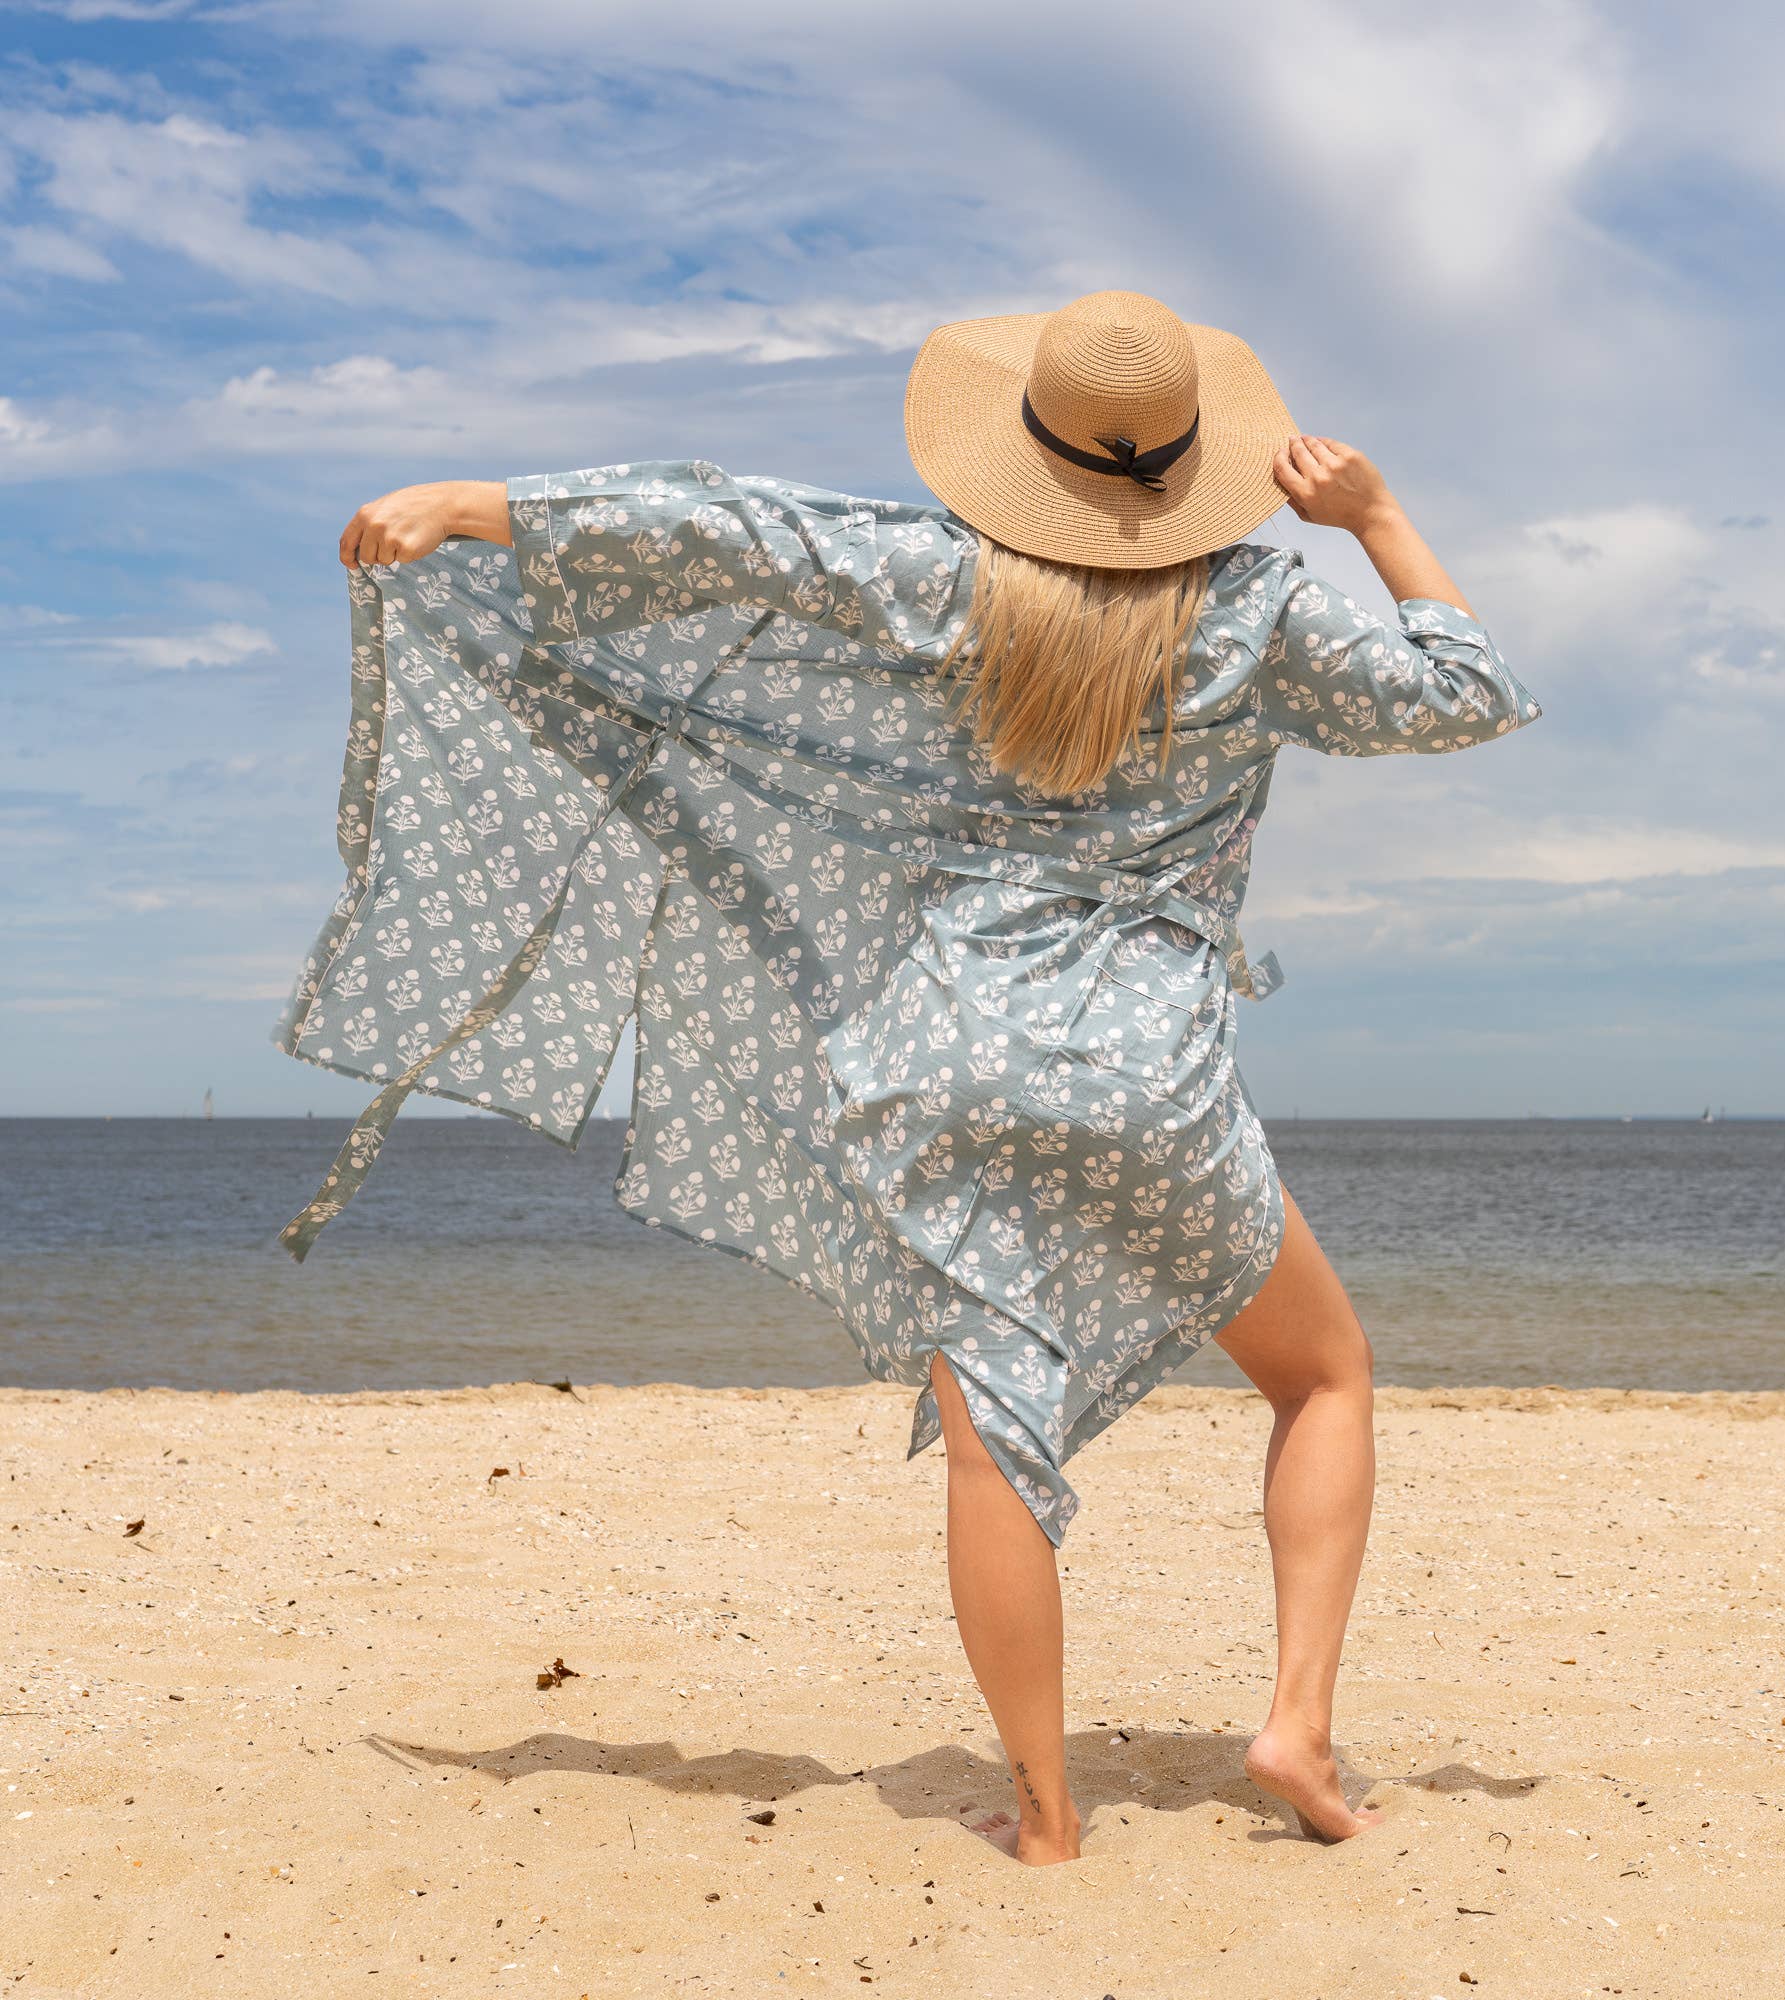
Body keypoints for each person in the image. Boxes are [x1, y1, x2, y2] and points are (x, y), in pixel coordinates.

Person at [287, 289, 1541, 1865]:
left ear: (1028, 449)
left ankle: (1047, 1820)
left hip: (943, 1054)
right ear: (1187, 464)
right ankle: (1294, 1720)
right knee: (1325, 1377)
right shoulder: (1258, 609)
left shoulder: (945, 580)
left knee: (988, 1440)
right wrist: (1376, 515)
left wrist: (484, 507)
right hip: (1145, 1067)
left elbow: (741, 533)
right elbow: (1466, 691)